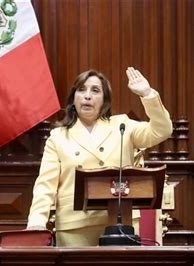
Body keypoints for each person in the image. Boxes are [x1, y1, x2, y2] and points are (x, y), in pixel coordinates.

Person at [26, 67, 172, 246]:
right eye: (81, 90)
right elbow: (45, 186)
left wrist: (147, 94)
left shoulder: (122, 125)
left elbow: (162, 130)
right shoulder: (58, 137)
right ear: (73, 99)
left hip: (121, 223)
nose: (87, 96)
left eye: (95, 91)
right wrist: (36, 222)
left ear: (104, 101)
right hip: (74, 226)